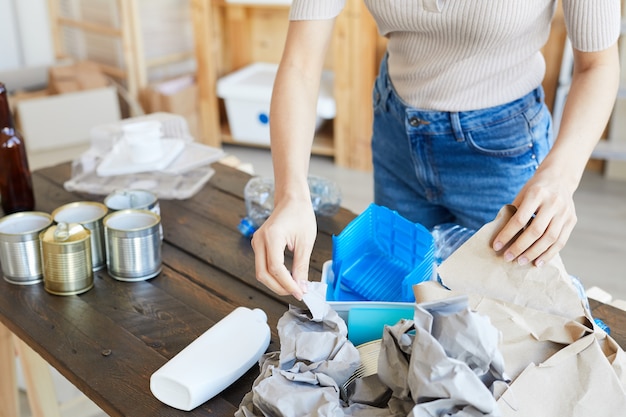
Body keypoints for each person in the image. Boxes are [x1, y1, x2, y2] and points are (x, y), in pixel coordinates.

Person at [251, 0, 621, 300]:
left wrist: (562, 175)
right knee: (401, 304)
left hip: (502, 149)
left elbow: (598, 65)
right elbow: (300, 64)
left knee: (502, 318)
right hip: (397, 130)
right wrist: (290, 194)